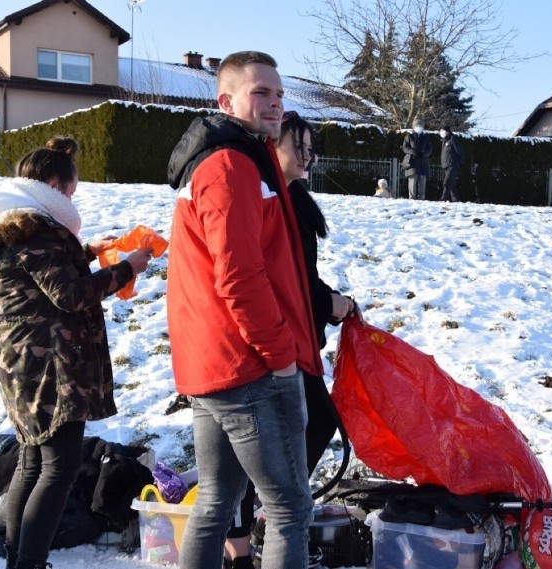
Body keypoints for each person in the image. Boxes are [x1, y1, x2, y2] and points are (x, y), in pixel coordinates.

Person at [0, 136, 153, 569]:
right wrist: (125, 268)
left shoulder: (19, 226)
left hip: (23, 363)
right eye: (70, 194)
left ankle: (18, 555)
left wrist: (90, 251)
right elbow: (70, 295)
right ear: (53, 186)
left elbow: (45, 277)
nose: (72, 202)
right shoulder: (39, 231)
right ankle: (29, 562)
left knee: (33, 458)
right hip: (49, 365)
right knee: (59, 464)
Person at [165, 51, 323, 569]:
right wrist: (280, 354)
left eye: (278, 94)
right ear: (226, 99)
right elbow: (238, 277)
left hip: (214, 365)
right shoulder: (230, 165)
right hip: (248, 365)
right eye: (261, 93)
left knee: (215, 501)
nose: (275, 103)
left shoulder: (230, 157)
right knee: (289, 509)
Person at [221, 110, 359, 569]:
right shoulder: (266, 199)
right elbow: (279, 280)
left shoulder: (292, 197)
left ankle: (266, 516)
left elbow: (302, 277)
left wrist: (328, 302)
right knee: (272, 442)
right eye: (297, 146)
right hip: (270, 343)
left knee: (292, 434)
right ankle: (257, 529)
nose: (307, 155)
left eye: (309, 147)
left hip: (294, 337)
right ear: (273, 147)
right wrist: (330, 303)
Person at [402, 117, 431, 200]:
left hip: (423, 162)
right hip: (412, 163)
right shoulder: (409, 136)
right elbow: (404, 147)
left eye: (420, 125)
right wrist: (412, 151)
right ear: (414, 127)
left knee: (422, 182)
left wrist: (425, 153)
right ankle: (412, 198)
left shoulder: (426, 137)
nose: (419, 127)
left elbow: (430, 148)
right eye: (417, 125)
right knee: (412, 181)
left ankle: (421, 198)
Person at [439, 125, 463, 202]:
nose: (442, 132)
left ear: (448, 132)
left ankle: (443, 199)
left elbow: (459, 151)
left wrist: (460, 163)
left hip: (452, 164)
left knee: (447, 182)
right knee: (451, 184)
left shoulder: (453, 138)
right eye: (441, 131)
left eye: (444, 131)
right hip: (446, 165)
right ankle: (456, 200)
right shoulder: (444, 140)